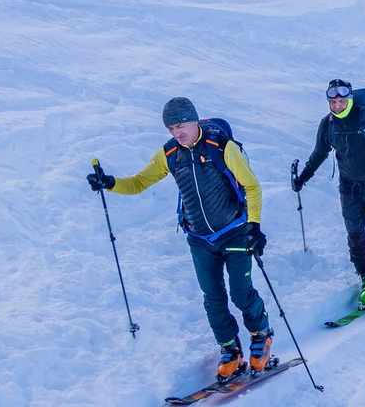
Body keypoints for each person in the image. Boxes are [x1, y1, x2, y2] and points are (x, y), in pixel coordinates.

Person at [88, 97, 273, 382]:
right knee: (212, 297)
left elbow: (252, 186)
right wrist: (109, 183)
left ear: (194, 120)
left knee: (240, 291)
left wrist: (255, 226)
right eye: (171, 127)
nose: (177, 132)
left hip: (234, 230)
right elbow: (139, 182)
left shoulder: (222, 147)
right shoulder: (170, 153)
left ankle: (261, 334)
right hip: (199, 237)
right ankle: (230, 349)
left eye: (181, 125)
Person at [293, 79, 365, 306]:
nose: (337, 105)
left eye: (342, 101)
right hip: (349, 188)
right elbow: (319, 154)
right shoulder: (328, 125)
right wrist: (304, 177)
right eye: (333, 101)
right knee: (355, 237)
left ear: (350, 99)